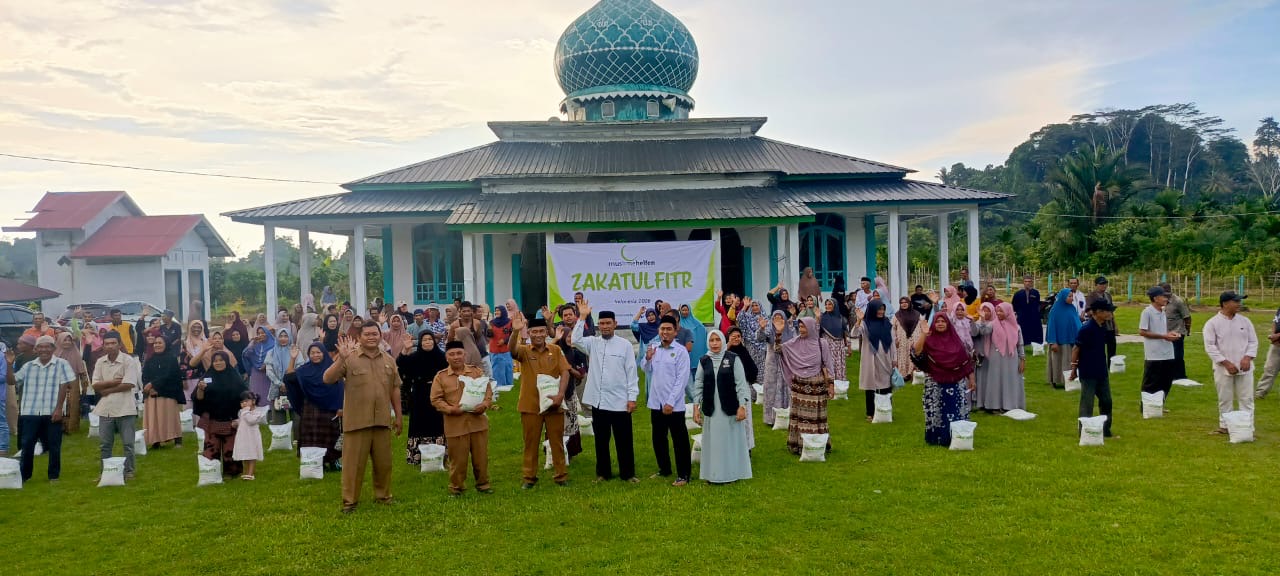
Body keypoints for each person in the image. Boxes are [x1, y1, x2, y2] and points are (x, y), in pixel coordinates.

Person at [324, 324, 404, 513]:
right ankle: (350, 502)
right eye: (367, 334)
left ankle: (383, 496)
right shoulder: (349, 357)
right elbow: (328, 379)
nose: (371, 337)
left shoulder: (389, 360)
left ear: (380, 336)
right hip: (357, 423)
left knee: (384, 464)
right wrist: (340, 359)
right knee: (353, 466)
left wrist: (398, 415)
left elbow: (395, 388)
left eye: (374, 334)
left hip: (382, 421)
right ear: (359, 337)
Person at [571, 304, 640, 483]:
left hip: (620, 401)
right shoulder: (593, 343)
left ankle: (628, 473)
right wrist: (582, 317)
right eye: (601, 323)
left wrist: (632, 398)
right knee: (601, 441)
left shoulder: (624, 345)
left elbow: (632, 373)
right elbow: (575, 339)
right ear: (598, 326)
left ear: (615, 324)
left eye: (608, 323)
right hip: (599, 401)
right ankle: (603, 473)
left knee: (624, 440)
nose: (605, 326)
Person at [507, 309, 570, 489]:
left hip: (554, 403)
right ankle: (529, 477)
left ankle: (561, 475)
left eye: (541, 331)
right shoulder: (525, 351)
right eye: (534, 332)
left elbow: (565, 372)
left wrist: (560, 395)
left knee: (556, 441)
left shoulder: (555, 350)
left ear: (545, 332)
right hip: (531, 405)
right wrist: (516, 331)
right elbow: (512, 351)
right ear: (530, 333)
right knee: (531, 442)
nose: (538, 335)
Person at [430, 341, 494, 496]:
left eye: (459, 353)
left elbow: (488, 392)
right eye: (452, 354)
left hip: (478, 422)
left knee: (481, 457)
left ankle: (483, 484)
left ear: (465, 355)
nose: (456, 357)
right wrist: (451, 409)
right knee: (458, 459)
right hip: (455, 424)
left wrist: (484, 404)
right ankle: (456, 487)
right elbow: (435, 399)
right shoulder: (441, 377)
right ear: (446, 357)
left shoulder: (476, 372)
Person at [8, 335, 74, 482]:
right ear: (36, 349)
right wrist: (9, 365)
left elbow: (64, 386)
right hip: (30, 411)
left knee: (54, 444)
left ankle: (53, 476)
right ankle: (24, 475)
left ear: (53, 348)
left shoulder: (62, 364)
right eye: (41, 347)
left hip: (51, 411)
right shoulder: (29, 366)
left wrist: (58, 409)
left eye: (48, 346)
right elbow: (12, 381)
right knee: (27, 444)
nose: (44, 349)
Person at [692, 330, 752, 484]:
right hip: (712, 409)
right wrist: (696, 407)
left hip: (730, 408)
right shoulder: (703, 361)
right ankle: (713, 474)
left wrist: (742, 406)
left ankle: (732, 473)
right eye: (711, 340)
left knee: (729, 441)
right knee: (714, 443)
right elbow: (698, 384)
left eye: (717, 340)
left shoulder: (733, 359)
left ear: (723, 341)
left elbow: (741, 384)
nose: (714, 343)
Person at [643, 316, 692, 486]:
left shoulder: (680, 351)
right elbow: (646, 369)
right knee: (658, 438)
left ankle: (684, 474)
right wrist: (648, 358)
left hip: (674, 405)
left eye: (668, 329)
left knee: (679, 440)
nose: (665, 332)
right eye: (662, 329)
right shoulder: (654, 348)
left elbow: (682, 379)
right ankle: (664, 469)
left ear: (675, 331)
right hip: (655, 402)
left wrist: (671, 401)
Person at [914, 314, 975, 447]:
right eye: (937, 322)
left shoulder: (955, 340)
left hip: (956, 382)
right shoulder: (929, 341)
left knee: (956, 409)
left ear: (948, 324)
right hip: (935, 381)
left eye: (943, 321)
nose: (940, 324)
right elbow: (916, 352)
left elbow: (965, 361)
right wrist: (924, 334)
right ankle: (936, 438)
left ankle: (957, 437)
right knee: (936, 411)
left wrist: (971, 378)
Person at [1202, 292, 1257, 435]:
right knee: (1225, 398)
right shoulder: (1212, 323)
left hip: (1245, 367)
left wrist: (1247, 358)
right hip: (1222, 368)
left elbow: (1253, 341)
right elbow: (1210, 347)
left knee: (1246, 398)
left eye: (1239, 301)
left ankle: (1247, 427)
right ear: (1225, 303)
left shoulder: (1245, 321)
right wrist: (1225, 363)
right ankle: (1225, 426)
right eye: (1236, 301)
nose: (1239, 304)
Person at [779, 317, 833, 455]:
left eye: (804, 327)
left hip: (817, 388)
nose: (801, 330)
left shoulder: (822, 344)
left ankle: (818, 445)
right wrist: (778, 334)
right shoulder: (794, 343)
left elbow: (828, 364)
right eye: (800, 327)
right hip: (799, 388)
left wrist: (831, 385)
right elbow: (778, 349)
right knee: (800, 416)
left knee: (816, 417)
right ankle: (799, 445)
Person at [91, 332, 141, 480]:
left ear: (119, 344)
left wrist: (107, 390)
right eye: (107, 343)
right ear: (103, 345)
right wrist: (114, 382)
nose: (110, 346)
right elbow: (95, 384)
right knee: (105, 444)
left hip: (125, 407)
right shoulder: (100, 362)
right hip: (105, 408)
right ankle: (104, 472)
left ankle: (129, 471)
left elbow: (129, 383)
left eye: (113, 343)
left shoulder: (128, 360)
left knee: (128, 444)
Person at [397, 332, 447, 466]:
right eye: (424, 340)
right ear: (420, 342)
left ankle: (440, 455)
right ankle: (417, 456)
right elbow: (401, 364)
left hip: (438, 394)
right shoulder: (414, 357)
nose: (427, 342)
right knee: (419, 423)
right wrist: (405, 349)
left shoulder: (442, 357)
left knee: (438, 423)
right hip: (419, 395)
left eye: (430, 339)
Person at [195, 351, 247, 477]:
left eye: (221, 360)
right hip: (212, 421)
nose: (218, 363)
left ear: (226, 361)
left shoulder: (235, 377)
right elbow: (198, 399)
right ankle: (212, 472)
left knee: (231, 451)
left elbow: (244, 397)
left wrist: (241, 416)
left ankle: (232, 472)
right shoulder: (207, 377)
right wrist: (200, 389)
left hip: (231, 420)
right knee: (211, 453)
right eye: (215, 361)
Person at [294, 343, 344, 471]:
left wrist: (340, 406)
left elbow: (339, 388)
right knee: (312, 435)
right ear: (308, 355)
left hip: (330, 408)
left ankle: (333, 460)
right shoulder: (303, 371)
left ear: (324, 353)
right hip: (311, 409)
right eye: (312, 353)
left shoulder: (332, 368)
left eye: (318, 352)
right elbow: (289, 378)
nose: (315, 355)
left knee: (330, 434)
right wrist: (292, 359)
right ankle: (316, 462)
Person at [1071, 300, 1116, 438]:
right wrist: (1073, 368)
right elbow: (1076, 348)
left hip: (1101, 370)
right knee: (1087, 403)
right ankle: (1084, 431)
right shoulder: (1087, 328)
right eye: (1108, 311)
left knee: (1106, 401)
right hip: (1088, 370)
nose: (1110, 314)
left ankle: (1105, 430)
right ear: (1098, 312)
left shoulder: (1103, 326)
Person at [978, 303, 1025, 413]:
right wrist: (983, 319)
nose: (998, 313)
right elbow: (984, 331)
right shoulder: (993, 324)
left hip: (1012, 358)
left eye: (1001, 311)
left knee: (1011, 380)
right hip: (996, 358)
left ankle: (1010, 405)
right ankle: (994, 405)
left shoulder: (1016, 327)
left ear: (1008, 312)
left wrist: (1022, 359)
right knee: (996, 381)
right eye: (997, 311)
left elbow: (1020, 344)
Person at [1139, 286, 1181, 407]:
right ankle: (1146, 406)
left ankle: (1159, 405)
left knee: (1166, 380)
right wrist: (1163, 336)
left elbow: (1163, 330)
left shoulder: (1163, 311)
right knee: (1151, 382)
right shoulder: (1147, 312)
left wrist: (1170, 334)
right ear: (1156, 298)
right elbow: (1142, 331)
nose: (1166, 298)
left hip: (1167, 351)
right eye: (1163, 296)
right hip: (1154, 353)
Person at [853, 301, 893, 423]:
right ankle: (870, 412)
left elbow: (892, 342)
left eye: (882, 309)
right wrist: (859, 320)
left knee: (886, 385)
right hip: (870, 359)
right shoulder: (866, 324)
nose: (881, 312)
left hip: (885, 358)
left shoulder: (887, 323)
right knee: (870, 386)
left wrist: (894, 359)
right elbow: (854, 334)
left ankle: (886, 410)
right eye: (878, 309)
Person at [142, 338, 184, 449]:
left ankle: (177, 440)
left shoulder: (171, 359)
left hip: (168, 392)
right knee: (153, 418)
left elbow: (169, 375)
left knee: (170, 417)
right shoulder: (150, 360)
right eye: (155, 343)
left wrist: (154, 384)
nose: (157, 345)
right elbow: (145, 375)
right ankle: (156, 441)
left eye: (160, 343)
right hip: (151, 393)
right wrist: (149, 387)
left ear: (166, 344)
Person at [756, 310, 795, 428]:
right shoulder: (769, 331)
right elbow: (759, 338)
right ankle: (770, 418)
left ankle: (787, 416)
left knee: (786, 388)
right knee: (771, 388)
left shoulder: (791, 331)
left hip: (787, 363)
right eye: (775, 318)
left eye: (780, 317)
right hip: (772, 364)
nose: (777, 320)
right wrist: (761, 328)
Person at [724, 327, 757, 452]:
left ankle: (746, 448)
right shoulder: (724, 352)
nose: (736, 339)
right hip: (727, 390)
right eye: (733, 336)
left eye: (738, 336)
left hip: (743, 389)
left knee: (745, 419)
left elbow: (753, 371)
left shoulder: (743, 352)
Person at [1045, 288, 1081, 390]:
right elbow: (1051, 326)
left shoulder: (1072, 308)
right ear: (1063, 297)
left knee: (1069, 360)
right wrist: (1053, 341)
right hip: (1059, 342)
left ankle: (1069, 379)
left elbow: (1075, 322)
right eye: (1069, 296)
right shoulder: (1055, 310)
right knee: (1057, 361)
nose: (1071, 298)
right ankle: (1054, 380)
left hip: (1071, 340)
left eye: (1071, 296)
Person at [54, 332, 87, 433]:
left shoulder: (75, 352)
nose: (67, 342)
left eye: (69, 340)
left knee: (72, 404)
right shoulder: (54, 354)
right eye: (65, 340)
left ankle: (71, 427)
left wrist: (84, 384)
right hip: (57, 382)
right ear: (59, 341)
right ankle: (56, 426)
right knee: (57, 403)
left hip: (73, 382)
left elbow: (81, 370)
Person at [265, 329, 299, 425]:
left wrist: (289, 383)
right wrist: (279, 384)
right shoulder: (271, 353)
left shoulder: (296, 352)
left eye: (285, 336)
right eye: (280, 336)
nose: (283, 338)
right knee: (279, 421)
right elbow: (269, 371)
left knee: (296, 420)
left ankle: (297, 440)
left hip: (293, 388)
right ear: (276, 337)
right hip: (277, 389)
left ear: (290, 337)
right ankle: (282, 439)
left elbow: (300, 368)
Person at [1161, 282, 1192, 381]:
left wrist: (1187, 330)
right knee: (1166, 355)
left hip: (1177, 332)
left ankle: (1180, 376)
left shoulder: (1178, 301)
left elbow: (1187, 317)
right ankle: (1169, 374)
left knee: (1177, 355)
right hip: (1166, 333)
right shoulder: (1161, 302)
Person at [232, 391, 267, 480]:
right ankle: (246, 472)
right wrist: (236, 423)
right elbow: (242, 421)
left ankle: (251, 473)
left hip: (251, 437)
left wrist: (246, 412)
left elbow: (250, 421)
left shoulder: (257, 412)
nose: (244, 403)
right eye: (242, 402)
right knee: (245, 454)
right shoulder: (242, 412)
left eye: (246, 401)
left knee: (251, 454)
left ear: (253, 401)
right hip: (243, 436)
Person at [1085, 277, 1118, 360]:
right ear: (1096, 285)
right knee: (1099, 347)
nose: (1104, 286)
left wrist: (1115, 325)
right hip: (1098, 325)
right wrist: (1100, 315)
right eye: (1101, 284)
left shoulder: (1108, 295)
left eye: (1105, 284)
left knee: (1112, 347)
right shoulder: (1091, 296)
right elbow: (1088, 311)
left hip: (1109, 326)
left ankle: (1111, 366)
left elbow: (1111, 311)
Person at [242, 327, 275, 408]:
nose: (261, 335)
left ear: (267, 333)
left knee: (267, 392)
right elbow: (245, 354)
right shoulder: (255, 344)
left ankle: (269, 411)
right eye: (259, 333)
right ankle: (256, 410)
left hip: (269, 373)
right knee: (256, 391)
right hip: (256, 373)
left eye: (263, 332)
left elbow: (277, 358)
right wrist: (253, 343)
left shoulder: (274, 344)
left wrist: (267, 364)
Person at [891, 297, 922, 380]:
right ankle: (903, 374)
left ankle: (913, 374)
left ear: (909, 303)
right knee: (903, 356)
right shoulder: (897, 315)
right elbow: (893, 328)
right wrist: (895, 339)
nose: (904, 304)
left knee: (913, 355)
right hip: (902, 340)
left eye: (905, 302)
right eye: (901, 302)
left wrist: (922, 339)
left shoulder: (917, 314)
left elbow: (923, 326)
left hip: (914, 339)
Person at [818, 298, 848, 382]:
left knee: (838, 365)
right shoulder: (822, 318)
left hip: (839, 346)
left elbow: (844, 332)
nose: (827, 306)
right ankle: (829, 384)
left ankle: (839, 384)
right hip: (828, 345)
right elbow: (817, 332)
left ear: (835, 306)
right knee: (829, 364)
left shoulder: (840, 318)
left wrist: (848, 346)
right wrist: (817, 319)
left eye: (830, 304)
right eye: (826, 304)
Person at [1255, 304, 1280, 400]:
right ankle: (1260, 393)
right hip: (1276, 345)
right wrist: (1273, 334)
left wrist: (1277, 336)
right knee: (1269, 369)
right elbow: (1275, 321)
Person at [487, 306, 515, 391]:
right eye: (496, 311)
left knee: (508, 366)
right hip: (495, 348)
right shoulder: (492, 322)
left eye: (498, 311)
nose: (496, 312)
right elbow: (489, 336)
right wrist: (489, 329)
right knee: (497, 367)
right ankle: (499, 385)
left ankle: (509, 384)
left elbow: (513, 334)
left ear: (503, 311)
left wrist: (505, 340)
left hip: (506, 348)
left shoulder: (510, 322)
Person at [1011, 276, 1044, 345]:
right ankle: (1022, 344)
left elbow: (1037, 304)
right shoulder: (1018, 294)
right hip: (1022, 316)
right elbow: (1014, 305)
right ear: (1023, 283)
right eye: (1026, 281)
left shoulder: (1035, 293)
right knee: (1022, 331)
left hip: (1033, 316)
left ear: (1032, 282)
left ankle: (1036, 345)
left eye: (1029, 281)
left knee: (1035, 331)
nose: (1027, 283)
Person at [679, 304, 707, 381]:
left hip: (695, 353)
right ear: (680, 311)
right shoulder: (678, 324)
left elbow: (703, 333)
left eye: (686, 310)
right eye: (683, 310)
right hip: (683, 353)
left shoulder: (697, 324)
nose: (684, 312)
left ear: (690, 311)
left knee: (697, 378)